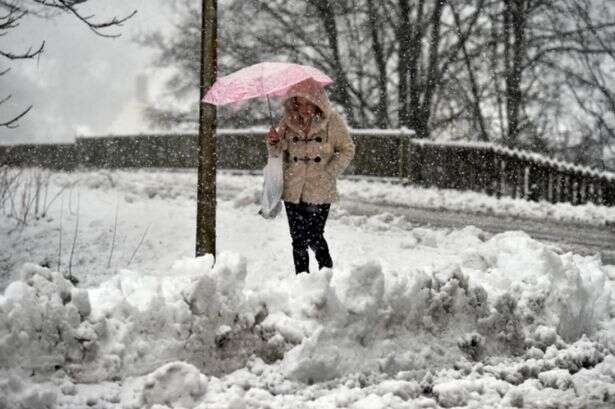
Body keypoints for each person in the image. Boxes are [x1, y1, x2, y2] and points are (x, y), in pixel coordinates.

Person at [265, 79, 355, 275]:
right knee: (298, 240)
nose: (303, 108)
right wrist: (273, 142)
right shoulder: (287, 122)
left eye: (308, 102)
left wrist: (329, 172)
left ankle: (325, 275)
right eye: (298, 102)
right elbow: (279, 152)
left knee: (315, 236)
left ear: (318, 101)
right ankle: (302, 281)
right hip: (293, 189)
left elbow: (347, 149)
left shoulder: (332, 121)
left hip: (320, 189)